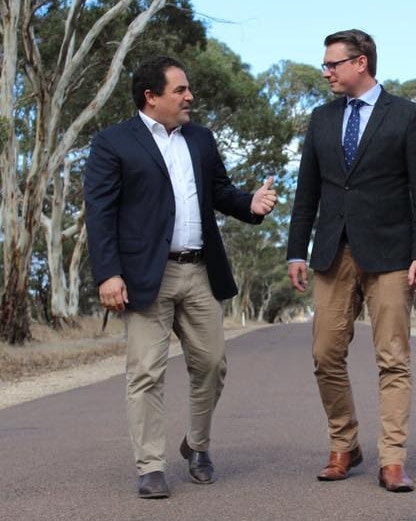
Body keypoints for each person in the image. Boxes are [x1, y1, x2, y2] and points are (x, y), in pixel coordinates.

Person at [84, 56, 277, 499]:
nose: (190, 97)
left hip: (200, 272)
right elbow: (100, 212)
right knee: (146, 373)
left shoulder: (202, 140)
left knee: (212, 365)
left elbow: (220, 193)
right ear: (151, 97)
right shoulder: (113, 143)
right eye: (180, 90)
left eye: (188, 89)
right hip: (144, 276)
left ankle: (197, 445)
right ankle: (151, 465)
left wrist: (251, 203)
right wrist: (108, 274)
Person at [286, 29, 416, 493]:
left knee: (392, 358)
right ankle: (344, 443)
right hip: (334, 252)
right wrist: (297, 249)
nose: (326, 72)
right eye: (325, 64)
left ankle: (392, 459)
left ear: (361, 63)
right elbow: (307, 191)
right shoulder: (321, 119)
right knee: (324, 353)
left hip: (392, 255)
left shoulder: (408, 116)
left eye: (333, 64)